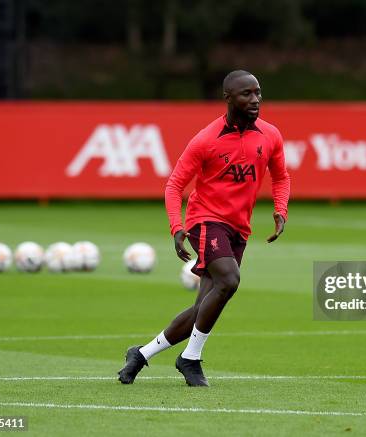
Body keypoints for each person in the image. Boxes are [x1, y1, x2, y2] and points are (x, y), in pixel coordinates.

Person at [118, 70, 290, 387]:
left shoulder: (270, 135)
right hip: (206, 220)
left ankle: (140, 355)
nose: (255, 100)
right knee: (229, 280)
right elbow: (174, 186)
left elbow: (280, 176)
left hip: (239, 227)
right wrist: (177, 226)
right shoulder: (206, 140)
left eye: (258, 93)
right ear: (228, 98)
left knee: (204, 305)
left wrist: (280, 209)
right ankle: (190, 359)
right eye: (246, 94)